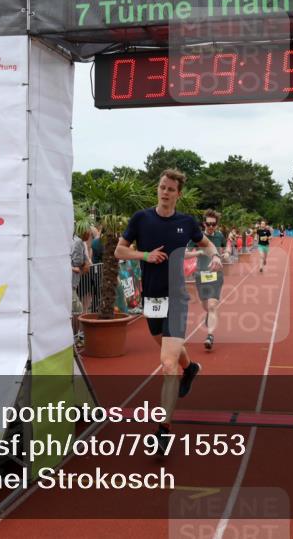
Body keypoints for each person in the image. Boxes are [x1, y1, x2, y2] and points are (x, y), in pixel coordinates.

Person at [116, 169, 221, 454]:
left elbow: (207, 244)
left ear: (178, 194)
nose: (165, 192)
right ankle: (192, 368)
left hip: (177, 299)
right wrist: (144, 255)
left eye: (170, 189)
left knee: (166, 364)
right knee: (168, 350)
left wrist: (216, 257)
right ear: (157, 189)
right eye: (162, 187)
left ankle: (163, 431)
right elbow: (119, 252)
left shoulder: (186, 222)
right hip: (151, 298)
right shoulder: (141, 218)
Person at [189, 210, 225, 351]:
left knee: (212, 306)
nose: (211, 226)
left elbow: (226, 246)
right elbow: (186, 252)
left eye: (213, 224)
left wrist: (227, 252)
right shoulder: (197, 237)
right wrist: (197, 252)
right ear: (204, 223)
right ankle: (209, 316)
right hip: (201, 275)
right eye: (208, 224)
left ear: (217, 224)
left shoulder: (220, 236)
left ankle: (210, 335)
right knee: (206, 307)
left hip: (216, 274)